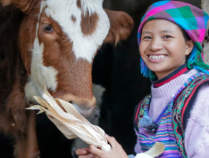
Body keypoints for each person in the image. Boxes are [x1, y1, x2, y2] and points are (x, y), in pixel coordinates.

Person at [76, 1, 209, 157]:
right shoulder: (145, 108)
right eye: (147, 37)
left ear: (188, 46)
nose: (154, 46)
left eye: (166, 37)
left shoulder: (202, 97)